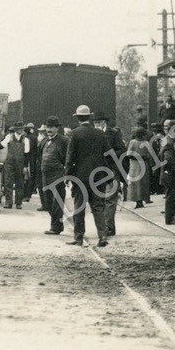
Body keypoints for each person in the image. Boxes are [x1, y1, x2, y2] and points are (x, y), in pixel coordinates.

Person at [63, 104, 112, 247]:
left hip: (80, 177)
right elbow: (108, 155)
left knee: (79, 207)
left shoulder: (74, 133)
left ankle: (78, 238)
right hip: (98, 177)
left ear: (77, 118)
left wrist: (67, 175)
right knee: (98, 207)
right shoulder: (100, 134)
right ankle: (102, 237)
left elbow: (70, 156)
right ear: (89, 117)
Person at [95, 113, 125, 237]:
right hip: (96, 171)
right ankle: (105, 227)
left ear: (103, 122)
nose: (96, 125)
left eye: (98, 122)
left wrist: (108, 154)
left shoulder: (113, 133)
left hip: (111, 169)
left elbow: (122, 150)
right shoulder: (92, 134)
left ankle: (109, 227)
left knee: (110, 199)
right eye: (94, 123)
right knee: (99, 200)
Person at [38, 116, 68, 235]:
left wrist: (66, 172)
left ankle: (55, 227)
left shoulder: (63, 141)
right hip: (45, 175)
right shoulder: (44, 141)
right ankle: (57, 224)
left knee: (57, 202)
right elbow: (39, 156)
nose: (49, 129)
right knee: (48, 202)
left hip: (58, 175)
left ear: (57, 128)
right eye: (48, 127)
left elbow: (69, 157)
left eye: (52, 127)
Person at [0, 124, 30, 209]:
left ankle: (18, 203)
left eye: (21, 129)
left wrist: (25, 166)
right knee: (8, 181)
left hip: (20, 163)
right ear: (15, 129)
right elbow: (1, 146)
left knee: (20, 183)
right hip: (9, 162)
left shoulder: (26, 140)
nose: (20, 130)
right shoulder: (9, 137)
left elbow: (27, 154)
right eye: (18, 129)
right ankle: (8, 202)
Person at [160, 120, 175, 226]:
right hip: (171, 173)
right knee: (173, 195)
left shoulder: (171, 140)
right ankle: (170, 218)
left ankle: (171, 216)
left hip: (173, 172)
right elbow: (168, 159)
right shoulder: (169, 141)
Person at [125, 127, 153, 208]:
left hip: (135, 164)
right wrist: (151, 165)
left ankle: (138, 201)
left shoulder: (132, 142)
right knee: (144, 183)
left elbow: (129, 154)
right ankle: (144, 199)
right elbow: (150, 155)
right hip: (144, 164)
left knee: (136, 183)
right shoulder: (146, 143)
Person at [22, 122, 40, 206]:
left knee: (24, 177)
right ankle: (28, 195)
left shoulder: (24, 138)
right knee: (30, 177)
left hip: (25, 159)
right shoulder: (34, 138)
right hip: (32, 160)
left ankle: (24, 194)